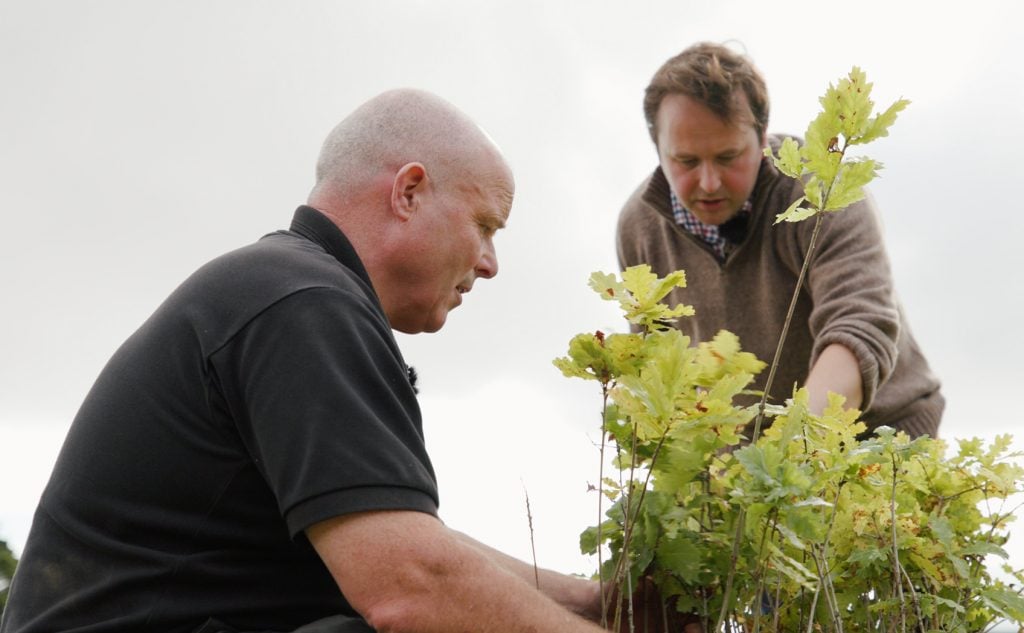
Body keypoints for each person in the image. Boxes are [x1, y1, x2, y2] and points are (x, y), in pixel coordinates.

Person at [1, 90, 621, 633]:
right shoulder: (304, 303)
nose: (489, 263)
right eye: (486, 225)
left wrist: (597, 602)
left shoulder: (283, 288)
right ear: (408, 191)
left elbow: (400, 539)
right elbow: (411, 588)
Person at [617, 42, 944, 438]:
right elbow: (660, 374)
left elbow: (858, 324)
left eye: (727, 157)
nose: (708, 182)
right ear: (658, 150)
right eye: (686, 161)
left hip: (881, 435)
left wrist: (790, 452)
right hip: (746, 467)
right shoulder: (639, 228)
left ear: (761, 140)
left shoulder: (820, 188)